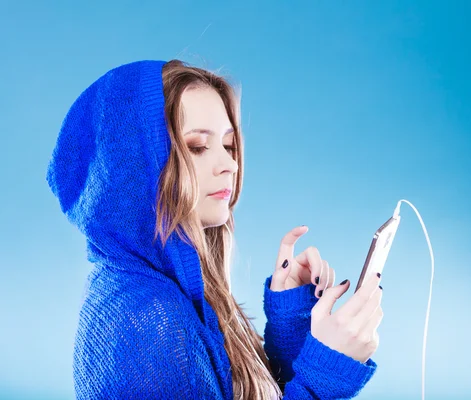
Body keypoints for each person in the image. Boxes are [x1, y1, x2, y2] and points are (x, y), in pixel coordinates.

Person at [46, 59, 384, 399]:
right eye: (196, 147)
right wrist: (325, 374)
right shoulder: (149, 320)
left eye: (228, 145)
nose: (230, 164)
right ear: (132, 168)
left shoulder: (160, 289)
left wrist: (291, 324)